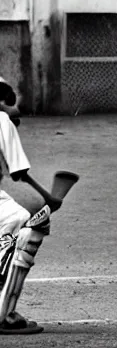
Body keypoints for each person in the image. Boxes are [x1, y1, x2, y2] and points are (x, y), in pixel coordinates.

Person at [0, 77, 53, 334]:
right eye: (10, 101)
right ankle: (3, 314)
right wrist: (48, 198)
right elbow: (19, 172)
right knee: (33, 220)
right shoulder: (2, 121)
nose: (16, 110)